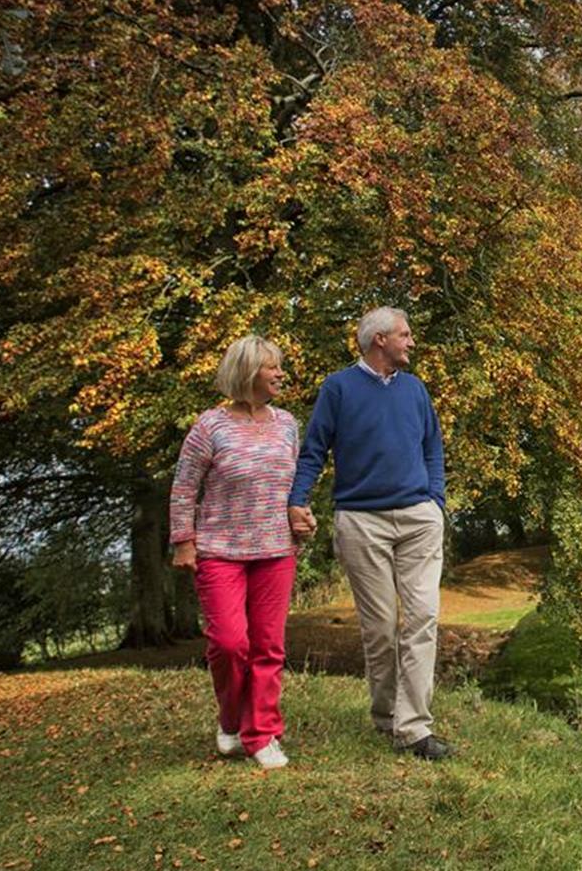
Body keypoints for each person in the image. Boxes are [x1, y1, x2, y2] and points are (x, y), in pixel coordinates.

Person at [288, 306, 452, 761]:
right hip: (362, 521)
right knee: (380, 629)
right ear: (379, 339)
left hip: (418, 519)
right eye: (405, 334)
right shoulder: (338, 388)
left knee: (422, 620)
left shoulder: (416, 390)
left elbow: (432, 447)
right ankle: (386, 716)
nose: (411, 342)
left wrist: (434, 501)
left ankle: (415, 729)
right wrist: (297, 500)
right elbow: (313, 450)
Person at [169, 335, 299, 770]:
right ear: (247, 372)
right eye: (272, 367)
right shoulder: (211, 426)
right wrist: (183, 541)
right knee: (228, 644)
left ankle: (262, 734)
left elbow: (291, 487)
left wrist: (303, 517)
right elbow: (185, 486)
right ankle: (230, 718)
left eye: (280, 366)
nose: (281, 373)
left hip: (276, 548)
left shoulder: (287, 424)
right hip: (220, 549)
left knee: (268, 646)